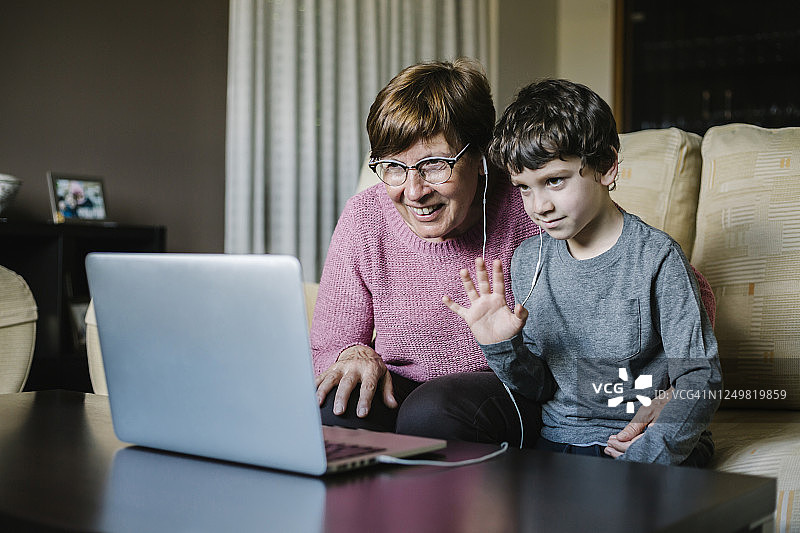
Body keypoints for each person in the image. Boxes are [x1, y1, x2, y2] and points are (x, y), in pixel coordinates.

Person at [311, 59, 716, 449]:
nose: (413, 192)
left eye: (434, 165)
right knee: (336, 408)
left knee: (431, 414)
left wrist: (673, 391)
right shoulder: (366, 214)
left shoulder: (531, 203)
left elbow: (670, 283)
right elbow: (330, 342)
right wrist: (353, 354)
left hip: (507, 386)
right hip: (404, 385)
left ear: (481, 156)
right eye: (394, 167)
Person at [444, 78, 722, 465]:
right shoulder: (528, 259)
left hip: (649, 442)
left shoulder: (657, 258)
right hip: (562, 440)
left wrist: (649, 454)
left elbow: (699, 378)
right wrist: (501, 345)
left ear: (606, 166)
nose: (538, 205)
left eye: (554, 181)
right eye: (524, 188)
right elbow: (539, 386)